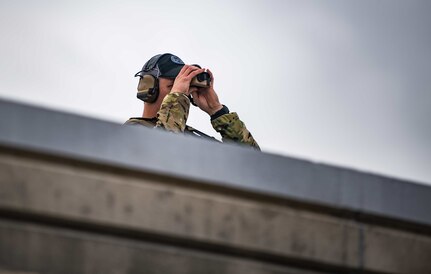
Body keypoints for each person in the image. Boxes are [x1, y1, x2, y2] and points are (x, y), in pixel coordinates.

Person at [125, 53, 260, 150]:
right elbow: (163, 151)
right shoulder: (132, 131)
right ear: (147, 86)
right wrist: (177, 95)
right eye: (174, 85)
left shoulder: (194, 137)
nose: (184, 91)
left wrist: (217, 111)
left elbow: (254, 163)